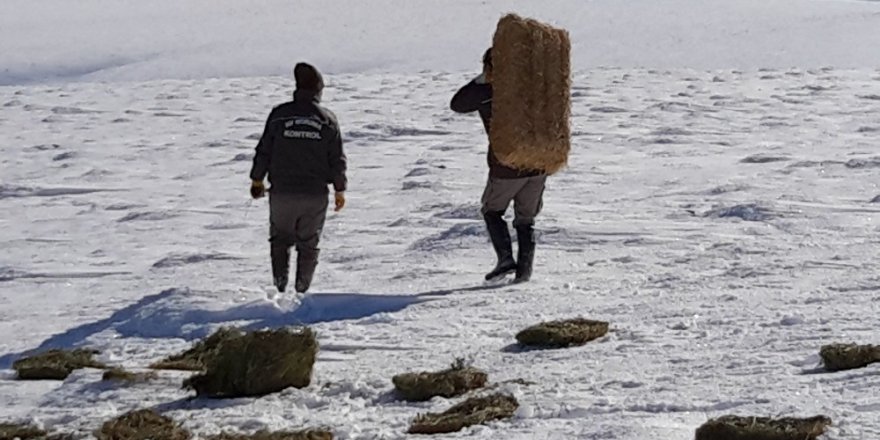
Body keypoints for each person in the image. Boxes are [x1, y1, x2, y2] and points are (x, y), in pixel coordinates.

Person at [450, 48, 547, 283]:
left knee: (492, 210)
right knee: (526, 219)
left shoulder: (489, 91)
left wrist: (483, 79)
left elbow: (458, 104)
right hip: (539, 165)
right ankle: (524, 273)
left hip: (507, 167)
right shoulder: (535, 88)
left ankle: (505, 261)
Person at [249, 62, 347, 293]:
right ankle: (302, 291)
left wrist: (257, 180)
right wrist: (340, 189)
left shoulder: (279, 115)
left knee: (280, 240)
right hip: (315, 195)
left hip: (282, 192)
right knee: (309, 243)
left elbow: (264, 150)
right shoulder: (327, 120)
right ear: (318, 91)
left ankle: (280, 288)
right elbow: (337, 158)